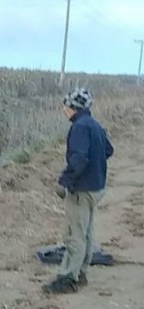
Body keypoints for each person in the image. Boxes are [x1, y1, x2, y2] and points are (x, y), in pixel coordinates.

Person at [42, 88, 114, 294]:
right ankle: (81, 273)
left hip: (82, 190)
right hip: (96, 188)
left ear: (74, 107)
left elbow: (80, 159)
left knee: (74, 234)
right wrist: (94, 166)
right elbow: (108, 150)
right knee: (86, 231)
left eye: (66, 105)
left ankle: (68, 278)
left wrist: (65, 181)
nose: (64, 109)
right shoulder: (94, 124)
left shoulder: (80, 127)